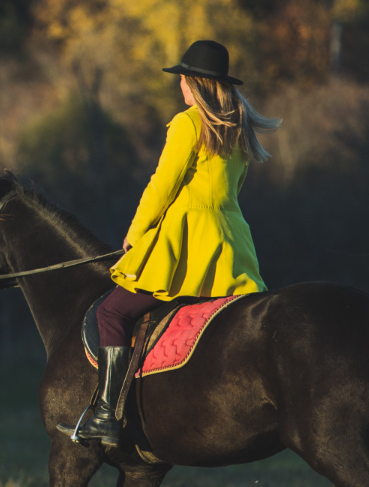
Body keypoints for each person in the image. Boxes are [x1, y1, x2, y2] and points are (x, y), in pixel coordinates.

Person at [63, 39, 280, 447]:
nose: (179, 85)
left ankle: (107, 415)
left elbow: (163, 184)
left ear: (193, 83)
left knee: (112, 312)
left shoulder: (188, 123)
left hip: (186, 242)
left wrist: (137, 231)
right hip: (232, 245)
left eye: (182, 78)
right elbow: (234, 191)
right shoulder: (238, 130)